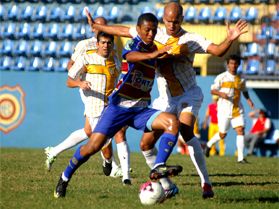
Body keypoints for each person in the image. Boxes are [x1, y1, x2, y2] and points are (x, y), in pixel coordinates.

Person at [86, 2, 248, 198]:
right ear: (164, 18)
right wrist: (98, 27)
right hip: (166, 98)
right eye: (169, 21)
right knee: (145, 144)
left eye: (176, 21)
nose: (172, 25)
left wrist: (229, 39)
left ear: (182, 20)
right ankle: (165, 184)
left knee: (186, 130)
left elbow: (217, 50)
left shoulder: (190, 39)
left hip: (188, 94)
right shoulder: (155, 33)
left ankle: (206, 183)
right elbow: (123, 30)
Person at [54, 13, 183, 198]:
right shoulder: (134, 45)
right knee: (93, 147)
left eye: (154, 29)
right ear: (138, 29)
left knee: (172, 122)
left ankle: (158, 168)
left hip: (140, 110)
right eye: (147, 29)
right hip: (118, 107)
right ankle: (65, 177)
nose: (151, 33)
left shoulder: (156, 49)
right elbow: (129, 56)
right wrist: (154, 54)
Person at [44, 17, 131, 183]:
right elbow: (71, 70)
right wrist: (81, 81)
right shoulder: (85, 46)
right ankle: (112, 166)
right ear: (94, 31)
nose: (105, 43)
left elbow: (117, 75)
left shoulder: (113, 56)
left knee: (90, 131)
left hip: (107, 96)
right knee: (101, 132)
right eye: (100, 27)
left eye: (105, 26)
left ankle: (54, 151)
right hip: (89, 90)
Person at [204, 54, 254, 163]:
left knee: (240, 130)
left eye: (236, 63)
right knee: (222, 134)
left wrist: (248, 100)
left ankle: (241, 158)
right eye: (231, 63)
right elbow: (212, 90)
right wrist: (221, 94)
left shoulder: (241, 79)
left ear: (238, 65)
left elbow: (244, 90)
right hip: (223, 110)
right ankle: (209, 144)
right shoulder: (221, 77)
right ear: (227, 65)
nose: (233, 65)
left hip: (237, 110)